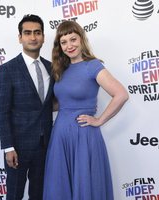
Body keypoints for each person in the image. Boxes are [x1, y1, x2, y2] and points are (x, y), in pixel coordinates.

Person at [43, 21, 129, 200]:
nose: (69, 45)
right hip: (60, 136)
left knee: (85, 186)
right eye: (64, 42)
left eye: (73, 39)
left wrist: (99, 120)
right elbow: (62, 102)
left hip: (84, 137)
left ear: (82, 39)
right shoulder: (61, 69)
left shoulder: (93, 66)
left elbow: (121, 94)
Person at [0, 14, 54, 200]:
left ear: (43, 37)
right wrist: (8, 147)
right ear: (20, 37)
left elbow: (49, 103)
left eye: (37, 32)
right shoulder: (8, 69)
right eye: (27, 33)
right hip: (18, 148)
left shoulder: (52, 68)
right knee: (14, 195)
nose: (33, 37)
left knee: (39, 195)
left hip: (46, 145)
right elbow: (2, 110)